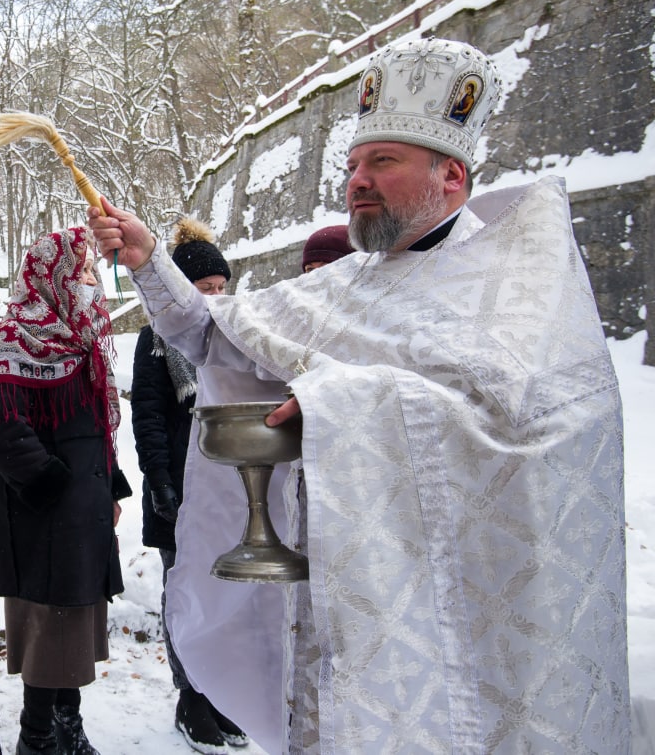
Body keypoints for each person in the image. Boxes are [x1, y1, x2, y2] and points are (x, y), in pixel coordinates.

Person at [89, 37, 629, 752]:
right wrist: (149, 259)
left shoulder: (519, 285)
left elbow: (536, 425)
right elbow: (221, 340)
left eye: (383, 162)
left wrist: (348, 407)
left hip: (479, 633)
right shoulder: (347, 284)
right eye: (351, 166)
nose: (357, 182)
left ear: (452, 174)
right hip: (347, 610)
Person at [0, 227, 132, 755]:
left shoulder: (80, 340)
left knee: (76, 629)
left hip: (81, 514)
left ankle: (68, 724)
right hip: (40, 518)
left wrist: (108, 488)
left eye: (91, 273)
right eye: (82, 272)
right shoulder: (13, 337)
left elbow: (96, 430)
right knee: (51, 630)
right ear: (52, 277)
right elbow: (0, 427)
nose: (91, 283)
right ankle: (36, 737)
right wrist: (55, 487)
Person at [130, 218, 251, 753]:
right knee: (185, 597)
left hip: (225, 492)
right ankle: (190, 699)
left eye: (223, 288)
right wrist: (160, 484)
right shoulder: (155, 340)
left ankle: (220, 693)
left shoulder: (235, 338)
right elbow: (150, 419)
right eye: (205, 289)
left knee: (223, 596)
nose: (216, 298)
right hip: (177, 491)